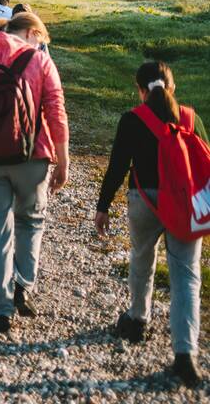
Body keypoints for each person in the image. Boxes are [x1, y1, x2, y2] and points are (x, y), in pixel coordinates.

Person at [0, 11, 69, 333]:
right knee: (30, 222)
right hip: (33, 158)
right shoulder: (40, 61)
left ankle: (1, 308)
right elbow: (56, 112)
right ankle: (23, 286)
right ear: (32, 32)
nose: (41, 44)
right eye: (41, 39)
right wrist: (63, 160)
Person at [94, 62, 207, 388]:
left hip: (144, 201)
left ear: (142, 90)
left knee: (142, 258)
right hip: (184, 204)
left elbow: (117, 165)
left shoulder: (132, 119)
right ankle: (186, 354)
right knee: (186, 273)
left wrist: (103, 207)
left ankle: (138, 320)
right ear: (171, 88)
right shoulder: (191, 118)